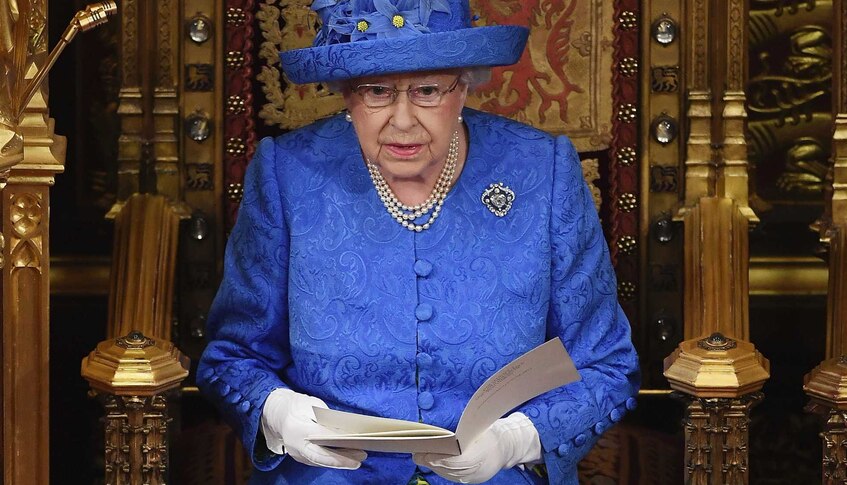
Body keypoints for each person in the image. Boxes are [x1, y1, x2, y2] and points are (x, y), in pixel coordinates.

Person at [197, 1, 640, 483]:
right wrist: (276, 412)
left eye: (428, 90)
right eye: (377, 91)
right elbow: (233, 356)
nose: (402, 120)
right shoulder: (289, 173)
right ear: (347, 93)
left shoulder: (542, 170)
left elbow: (605, 365)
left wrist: (517, 439)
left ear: (464, 83)